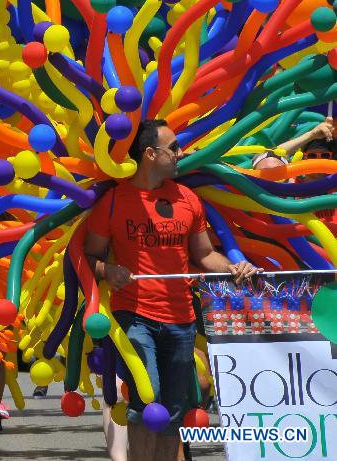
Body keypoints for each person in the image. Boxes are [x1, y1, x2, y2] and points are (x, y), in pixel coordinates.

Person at [83, 119, 256, 461]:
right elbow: (90, 255)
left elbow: (204, 254)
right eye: (174, 147)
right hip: (134, 315)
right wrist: (107, 270)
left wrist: (235, 267)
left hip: (181, 318)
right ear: (150, 153)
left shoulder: (188, 199)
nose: (181, 153)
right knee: (148, 403)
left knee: (173, 412)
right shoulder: (115, 202)